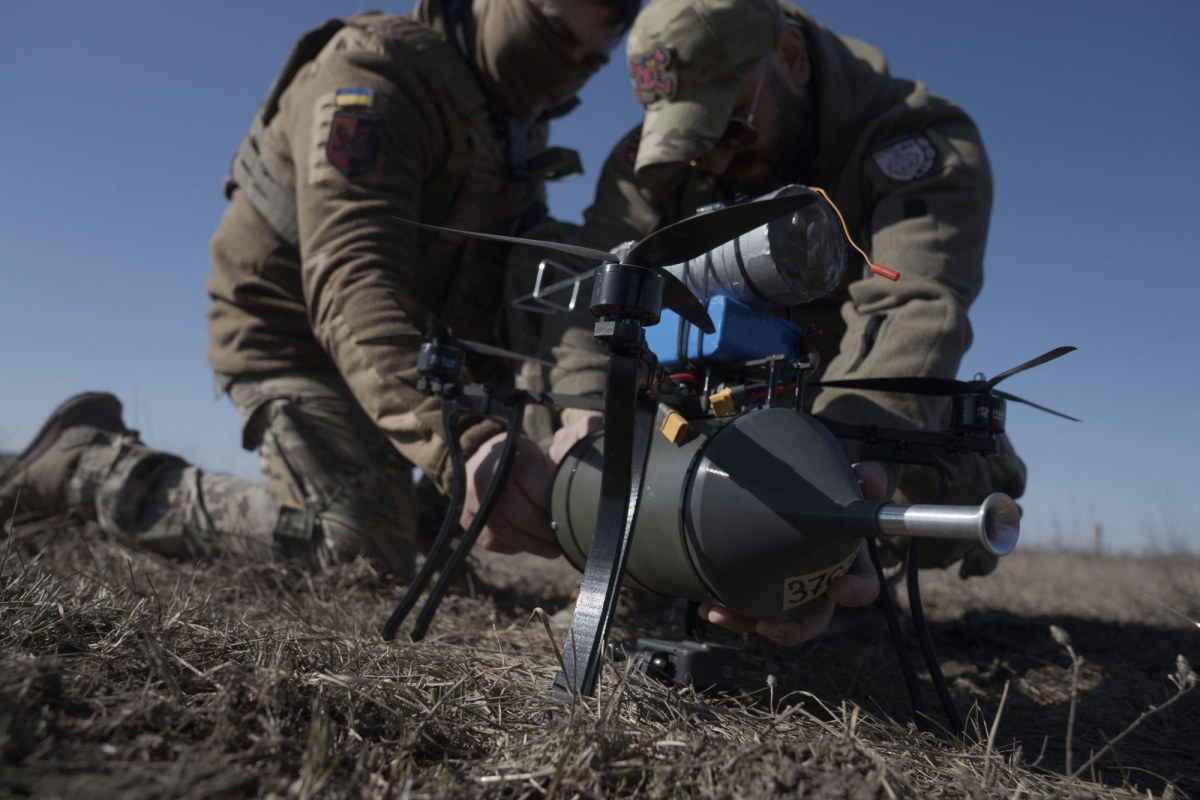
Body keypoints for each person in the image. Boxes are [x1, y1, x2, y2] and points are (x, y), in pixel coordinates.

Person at [0, 0, 636, 577]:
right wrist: (467, 445)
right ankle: (88, 467)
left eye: (589, 61)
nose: (566, 68)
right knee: (354, 545)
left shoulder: (507, 124)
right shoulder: (374, 74)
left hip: (404, 353)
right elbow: (351, 277)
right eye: (552, 34)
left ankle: (424, 517)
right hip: (294, 343)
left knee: (548, 277)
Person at [490, 0, 1027, 645]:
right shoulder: (655, 167)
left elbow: (912, 310)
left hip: (833, 402)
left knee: (947, 467)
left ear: (792, 58)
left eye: (728, 128)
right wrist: (586, 410)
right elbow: (596, 289)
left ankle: (832, 572)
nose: (711, 164)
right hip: (684, 396)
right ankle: (641, 563)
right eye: (690, 143)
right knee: (540, 277)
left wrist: (828, 485)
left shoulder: (912, 142)